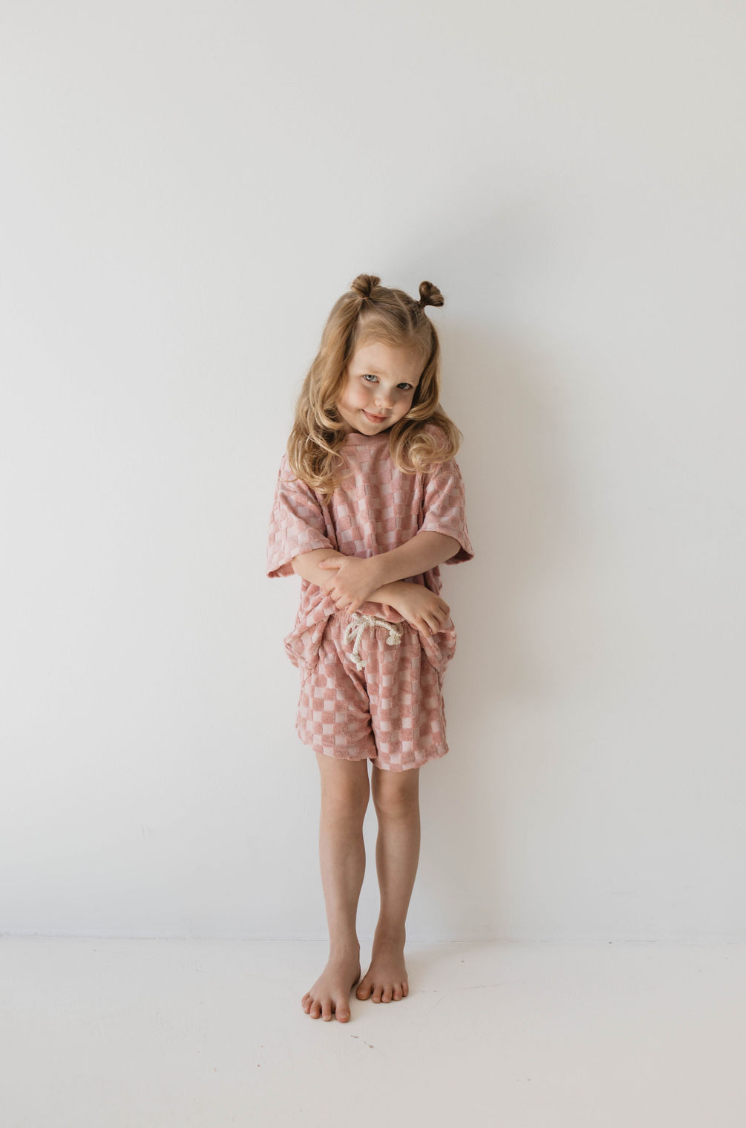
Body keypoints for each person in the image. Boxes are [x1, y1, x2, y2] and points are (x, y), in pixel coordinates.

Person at [266, 273, 474, 1022]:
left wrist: (382, 571)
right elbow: (302, 556)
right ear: (338, 363)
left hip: (405, 659)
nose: (382, 399)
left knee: (397, 795)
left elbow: (444, 533)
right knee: (340, 800)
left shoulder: (427, 448)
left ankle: (391, 937)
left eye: (401, 386)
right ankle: (340, 947)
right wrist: (391, 589)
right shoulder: (309, 455)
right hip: (331, 651)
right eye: (368, 378)